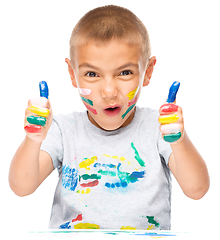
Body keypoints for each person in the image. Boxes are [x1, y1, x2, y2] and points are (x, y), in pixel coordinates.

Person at [9, 5, 209, 230]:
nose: (109, 91)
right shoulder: (63, 129)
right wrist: (33, 141)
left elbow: (197, 190)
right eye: (92, 74)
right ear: (72, 74)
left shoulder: (158, 128)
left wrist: (180, 142)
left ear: (148, 71)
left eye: (125, 73)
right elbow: (21, 187)